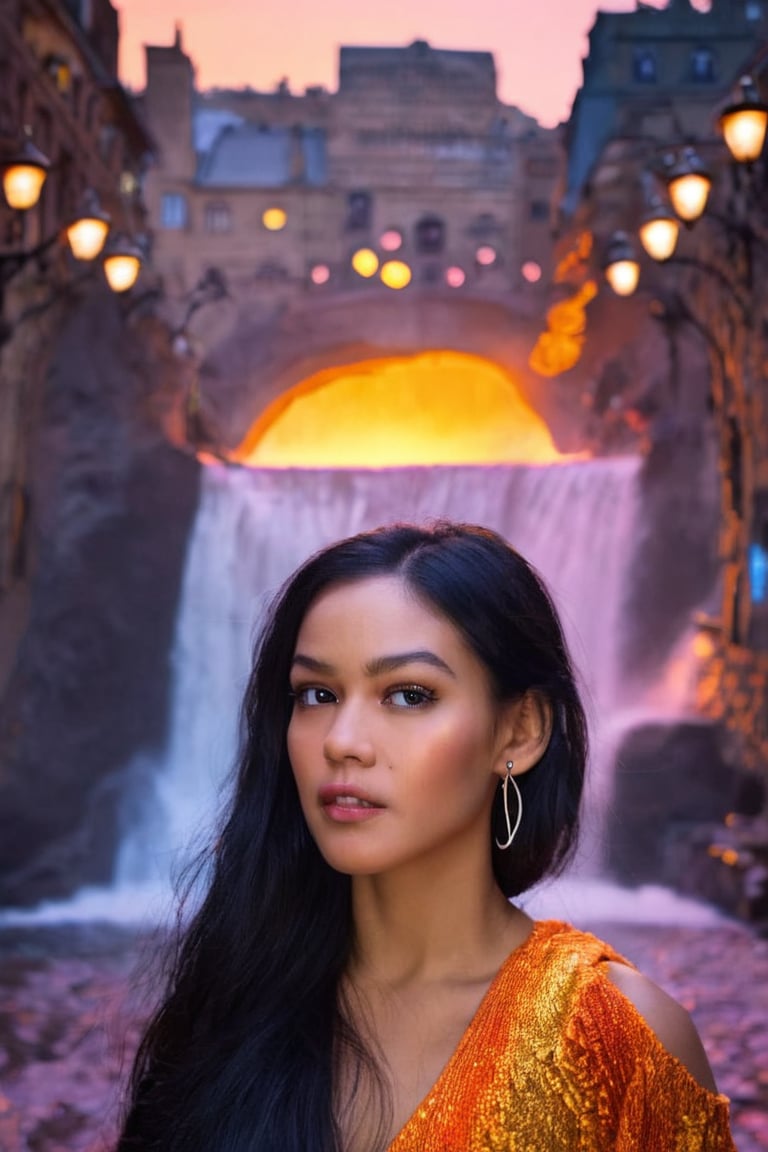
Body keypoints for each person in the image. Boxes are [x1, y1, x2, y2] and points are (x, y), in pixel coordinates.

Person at [117, 522, 736, 1151]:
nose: (342, 741)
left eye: (409, 695)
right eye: (317, 694)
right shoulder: (231, 1004)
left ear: (519, 732)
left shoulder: (614, 1036)